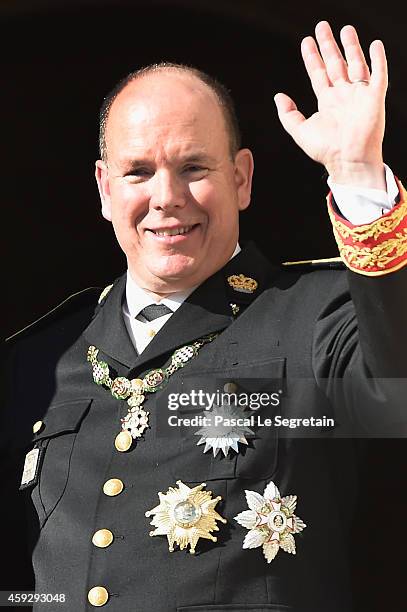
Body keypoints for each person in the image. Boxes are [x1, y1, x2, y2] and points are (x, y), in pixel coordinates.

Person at [2, 20, 406, 611]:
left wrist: (357, 176)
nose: (167, 196)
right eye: (138, 172)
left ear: (241, 178)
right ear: (104, 187)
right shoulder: (39, 357)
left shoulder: (318, 317)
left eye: (194, 167)